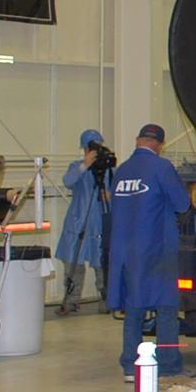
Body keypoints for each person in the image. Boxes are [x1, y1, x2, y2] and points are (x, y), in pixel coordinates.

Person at [107, 124, 192, 381]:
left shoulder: (121, 171)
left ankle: (130, 367)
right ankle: (167, 364)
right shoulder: (161, 167)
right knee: (166, 307)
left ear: (138, 140)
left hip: (125, 252)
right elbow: (182, 204)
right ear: (159, 144)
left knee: (134, 308)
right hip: (155, 250)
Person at [55, 129, 110, 314]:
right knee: (74, 265)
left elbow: (117, 190)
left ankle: (107, 300)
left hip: (99, 223)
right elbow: (68, 181)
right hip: (78, 222)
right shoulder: (77, 167)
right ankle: (71, 301)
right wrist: (84, 166)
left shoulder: (108, 170)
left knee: (102, 264)